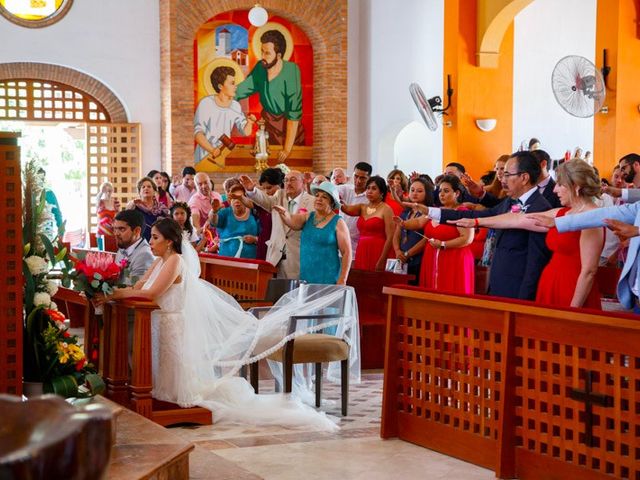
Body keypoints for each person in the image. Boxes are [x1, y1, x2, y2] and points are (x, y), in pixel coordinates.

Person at [103, 218, 359, 428]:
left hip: (173, 325)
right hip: (159, 324)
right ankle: (158, 397)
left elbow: (149, 293)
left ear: (169, 241)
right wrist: (112, 287)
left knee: (176, 375)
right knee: (162, 371)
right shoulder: (159, 262)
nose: (151, 242)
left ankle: (177, 404)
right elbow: (138, 286)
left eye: (156, 237)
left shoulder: (174, 261)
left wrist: (110, 294)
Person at [451, 160, 603, 309]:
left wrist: (573, 310)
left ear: (575, 186)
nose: (555, 189)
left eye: (560, 185)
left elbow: (589, 271)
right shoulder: (563, 212)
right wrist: (476, 221)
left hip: (573, 287)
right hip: (550, 282)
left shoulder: (592, 217)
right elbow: (518, 219)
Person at [419, 151, 552, 300]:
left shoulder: (540, 208)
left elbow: (535, 263)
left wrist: (524, 298)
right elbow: (476, 215)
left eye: (507, 175)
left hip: (518, 289)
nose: (502, 179)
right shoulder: (510, 201)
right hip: (499, 284)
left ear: (524, 177)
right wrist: (431, 212)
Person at [236, 30, 304, 162]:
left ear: (278, 55)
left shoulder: (291, 71)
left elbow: (293, 114)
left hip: (290, 130)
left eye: (267, 53)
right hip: (269, 128)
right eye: (262, 51)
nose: (262, 56)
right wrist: (220, 99)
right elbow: (241, 90)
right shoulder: (260, 68)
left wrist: (287, 149)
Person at [398, 175, 475, 293]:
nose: (441, 194)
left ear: (457, 193)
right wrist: (403, 223)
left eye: (446, 191)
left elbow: (467, 238)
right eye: (440, 191)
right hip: (432, 255)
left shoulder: (462, 213)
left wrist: (444, 244)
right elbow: (419, 222)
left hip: (454, 258)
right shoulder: (437, 211)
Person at [239, 170, 315, 278]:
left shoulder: (312, 202)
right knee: (275, 291)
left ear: (302, 182)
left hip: (298, 254)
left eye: (293, 180)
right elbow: (264, 200)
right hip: (276, 254)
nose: (288, 183)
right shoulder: (279, 195)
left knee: (295, 291)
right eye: (286, 180)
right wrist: (252, 190)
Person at [274, 181, 352, 285]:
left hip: (328, 277)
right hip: (307, 276)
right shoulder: (308, 217)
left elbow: (347, 253)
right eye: (317, 195)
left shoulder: (338, 222)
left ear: (332, 203)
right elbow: (291, 221)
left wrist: (343, 279)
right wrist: (284, 213)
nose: (319, 199)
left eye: (324, 197)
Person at [194, 66, 256, 165]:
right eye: (232, 83)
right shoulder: (206, 104)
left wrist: (249, 122)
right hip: (205, 154)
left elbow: (245, 132)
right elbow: (198, 133)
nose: (235, 86)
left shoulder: (235, 106)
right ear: (220, 86)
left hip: (222, 154)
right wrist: (212, 149)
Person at [341, 176, 394, 271]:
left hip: (378, 250)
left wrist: (382, 259)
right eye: (368, 188)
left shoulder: (386, 209)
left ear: (381, 192)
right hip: (361, 249)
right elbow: (346, 209)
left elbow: (390, 237)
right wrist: (333, 198)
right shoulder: (362, 207)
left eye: (374, 188)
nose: (369, 191)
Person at [392, 177, 433, 285]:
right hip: (401, 257)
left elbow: (426, 239)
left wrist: (407, 254)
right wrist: (397, 251)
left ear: (427, 193)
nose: (415, 193)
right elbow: (396, 234)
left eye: (419, 191)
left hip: (419, 258)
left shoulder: (430, 212)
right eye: (412, 190)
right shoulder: (406, 212)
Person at [209, 184, 259, 259]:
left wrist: (255, 239)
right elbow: (214, 222)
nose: (237, 201)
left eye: (240, 198)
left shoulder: (254, 213)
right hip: (227, 258)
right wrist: (214, 212)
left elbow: (264, 236)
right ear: (229, 201)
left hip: (250, 259)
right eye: (234, 198)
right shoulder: (225, 213)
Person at [336, 162, 372, 256]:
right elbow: (330, 191)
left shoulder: (371, 197)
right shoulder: (345, 189)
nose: (358, 181)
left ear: (369, 178)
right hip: (339, 245)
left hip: (359, 247)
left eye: (363, 178)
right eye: (356, 176)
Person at [113, 209, 154, 286]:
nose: (116, 234)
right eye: (115, 229)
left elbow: (135, 290)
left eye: (122, 229)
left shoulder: (144, 255)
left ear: (136, 231)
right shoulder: (122, 249)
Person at [126, 177, 170, 241]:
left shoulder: (161, 208)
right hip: (139, 243)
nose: (146, 188)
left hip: (158, 243)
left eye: (149, 187)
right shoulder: (134, 207)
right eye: (143, 187)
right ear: (139, 192)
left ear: (154, 191)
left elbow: (167, 228)